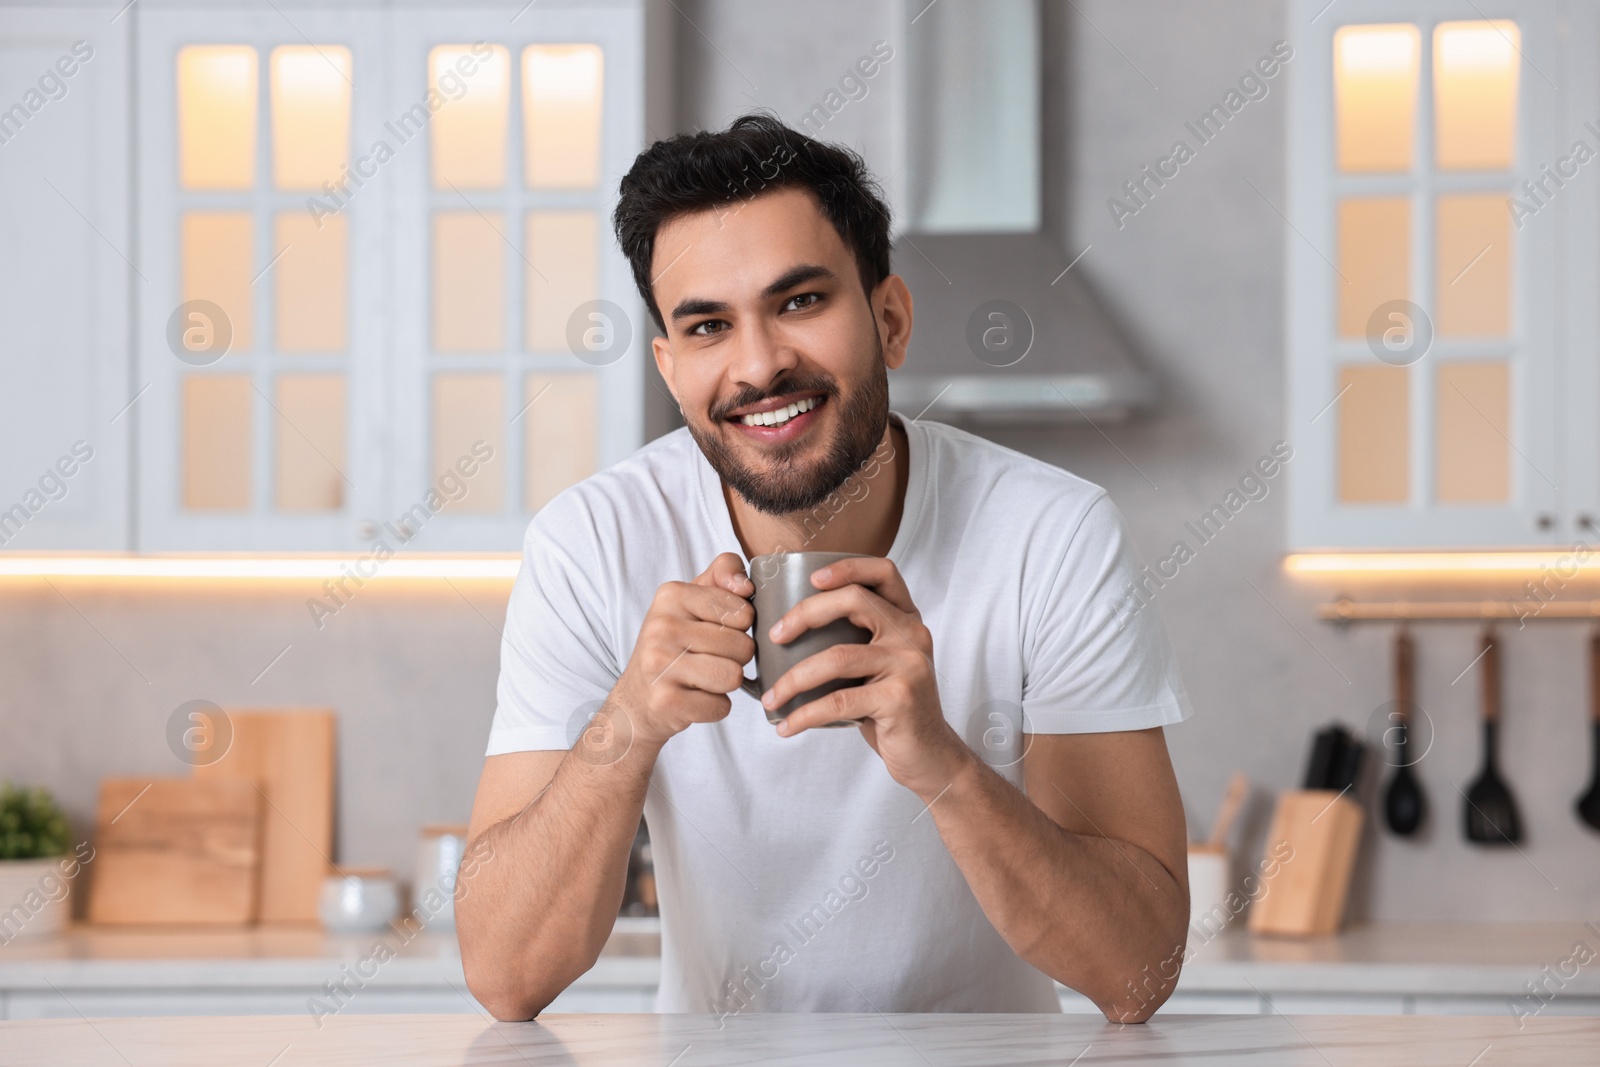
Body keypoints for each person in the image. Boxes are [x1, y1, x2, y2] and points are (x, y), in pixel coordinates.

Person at [457, 113, 1194, 1023]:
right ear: (670, 367)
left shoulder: (1052, 533)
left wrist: (946, 768)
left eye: (800, 301)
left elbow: (1138, 971)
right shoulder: (590, 543)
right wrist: (628, 723)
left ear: (890, 319)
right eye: (708, 326)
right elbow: (504, 974)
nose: (760, 365)